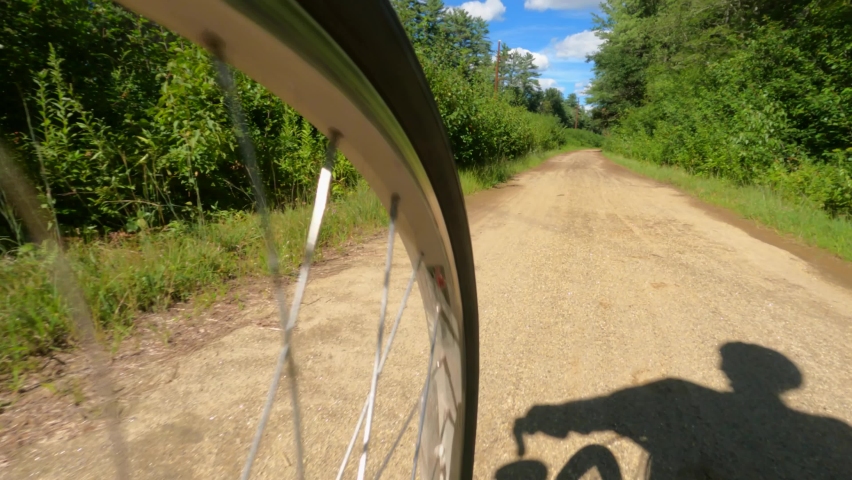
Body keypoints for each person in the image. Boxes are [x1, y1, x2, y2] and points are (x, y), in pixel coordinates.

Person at [509, 342, 852, 479]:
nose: (721, 369)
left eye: (724, 364)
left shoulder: (674, 391)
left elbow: (606, 408)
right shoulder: (838, 434)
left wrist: (543, 417)